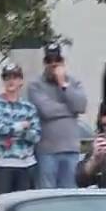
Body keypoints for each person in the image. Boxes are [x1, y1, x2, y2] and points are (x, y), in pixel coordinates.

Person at [28, 43, 88, 189]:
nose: (53, 64)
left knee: (70, 193)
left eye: (57, 60)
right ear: (44, 63)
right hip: (47, 150)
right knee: (46, 194)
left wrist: (64, 85)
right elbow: (46, 111)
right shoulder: (35, 85)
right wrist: (70, 109)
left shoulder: (73, 82)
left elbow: (81, 106)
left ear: (63, 62)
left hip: (71, 148)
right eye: (49, 60)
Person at [0, 63, 40, 195]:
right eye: (7, 78)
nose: (11, 81)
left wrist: (14, 130)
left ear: (21, 81)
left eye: (15, 77)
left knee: (24, 203)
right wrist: (21, 126)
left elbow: (36, 135)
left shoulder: (29, 107)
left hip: (26, 164)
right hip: (2, 163)